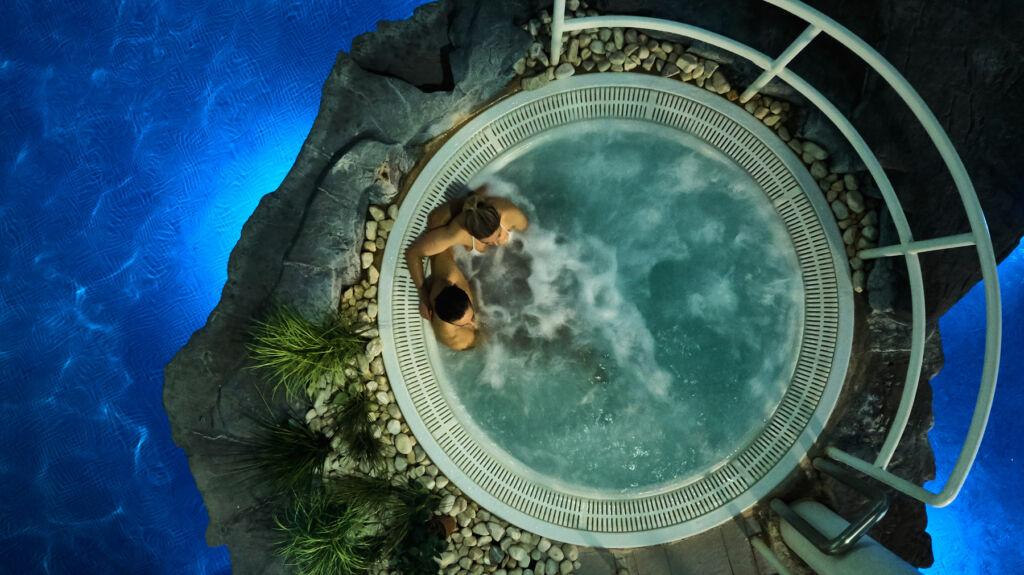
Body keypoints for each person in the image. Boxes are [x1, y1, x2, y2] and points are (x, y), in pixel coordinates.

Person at [405, 184, 529, 321]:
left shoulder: (510, 214)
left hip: (481, 200)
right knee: (435, 220)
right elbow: (413, 253)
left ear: (499, 218)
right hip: (456, 219)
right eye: (487, 242)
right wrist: (423, 295)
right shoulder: (457, 233)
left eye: (498, 235)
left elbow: (530, 237)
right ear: (470, 234)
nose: (495, 244)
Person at [423, 248, 478, 350]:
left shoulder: (449, 275)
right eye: (464, 324)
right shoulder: (454, 338)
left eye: (471, 317)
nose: (474, 324)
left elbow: (443, 244)